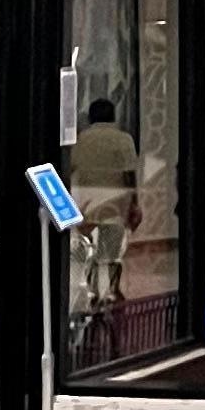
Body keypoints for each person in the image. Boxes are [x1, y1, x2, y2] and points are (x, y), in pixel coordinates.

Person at [68, 93, 139, 321]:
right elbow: (129, 174)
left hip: (86, 206)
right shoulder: (124, 140)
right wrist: (135, 203)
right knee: (111, 256)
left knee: (89, 253)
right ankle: (109, 293)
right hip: (114, 206)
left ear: (90, 117)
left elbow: (71, 168)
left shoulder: (80, 139)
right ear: (113, 116)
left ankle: (92, 294)